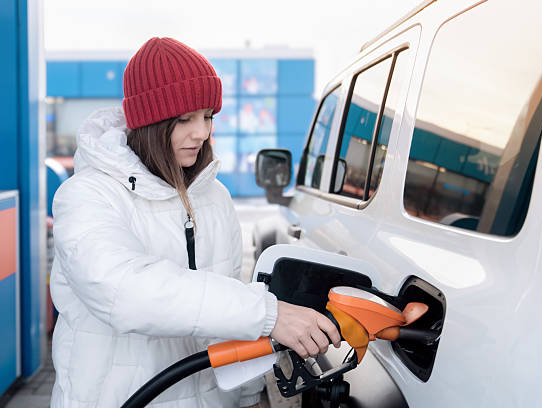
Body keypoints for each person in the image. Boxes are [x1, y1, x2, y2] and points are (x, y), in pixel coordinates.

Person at [49, 37, 341, 408]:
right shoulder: (88, 195)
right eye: (185, 119)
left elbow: (228, 302)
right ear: (150, 122)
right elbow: (124, 290)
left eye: (208, 117)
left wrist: (250, 395)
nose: (201, 132)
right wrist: (268, 314)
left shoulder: (213, 196)